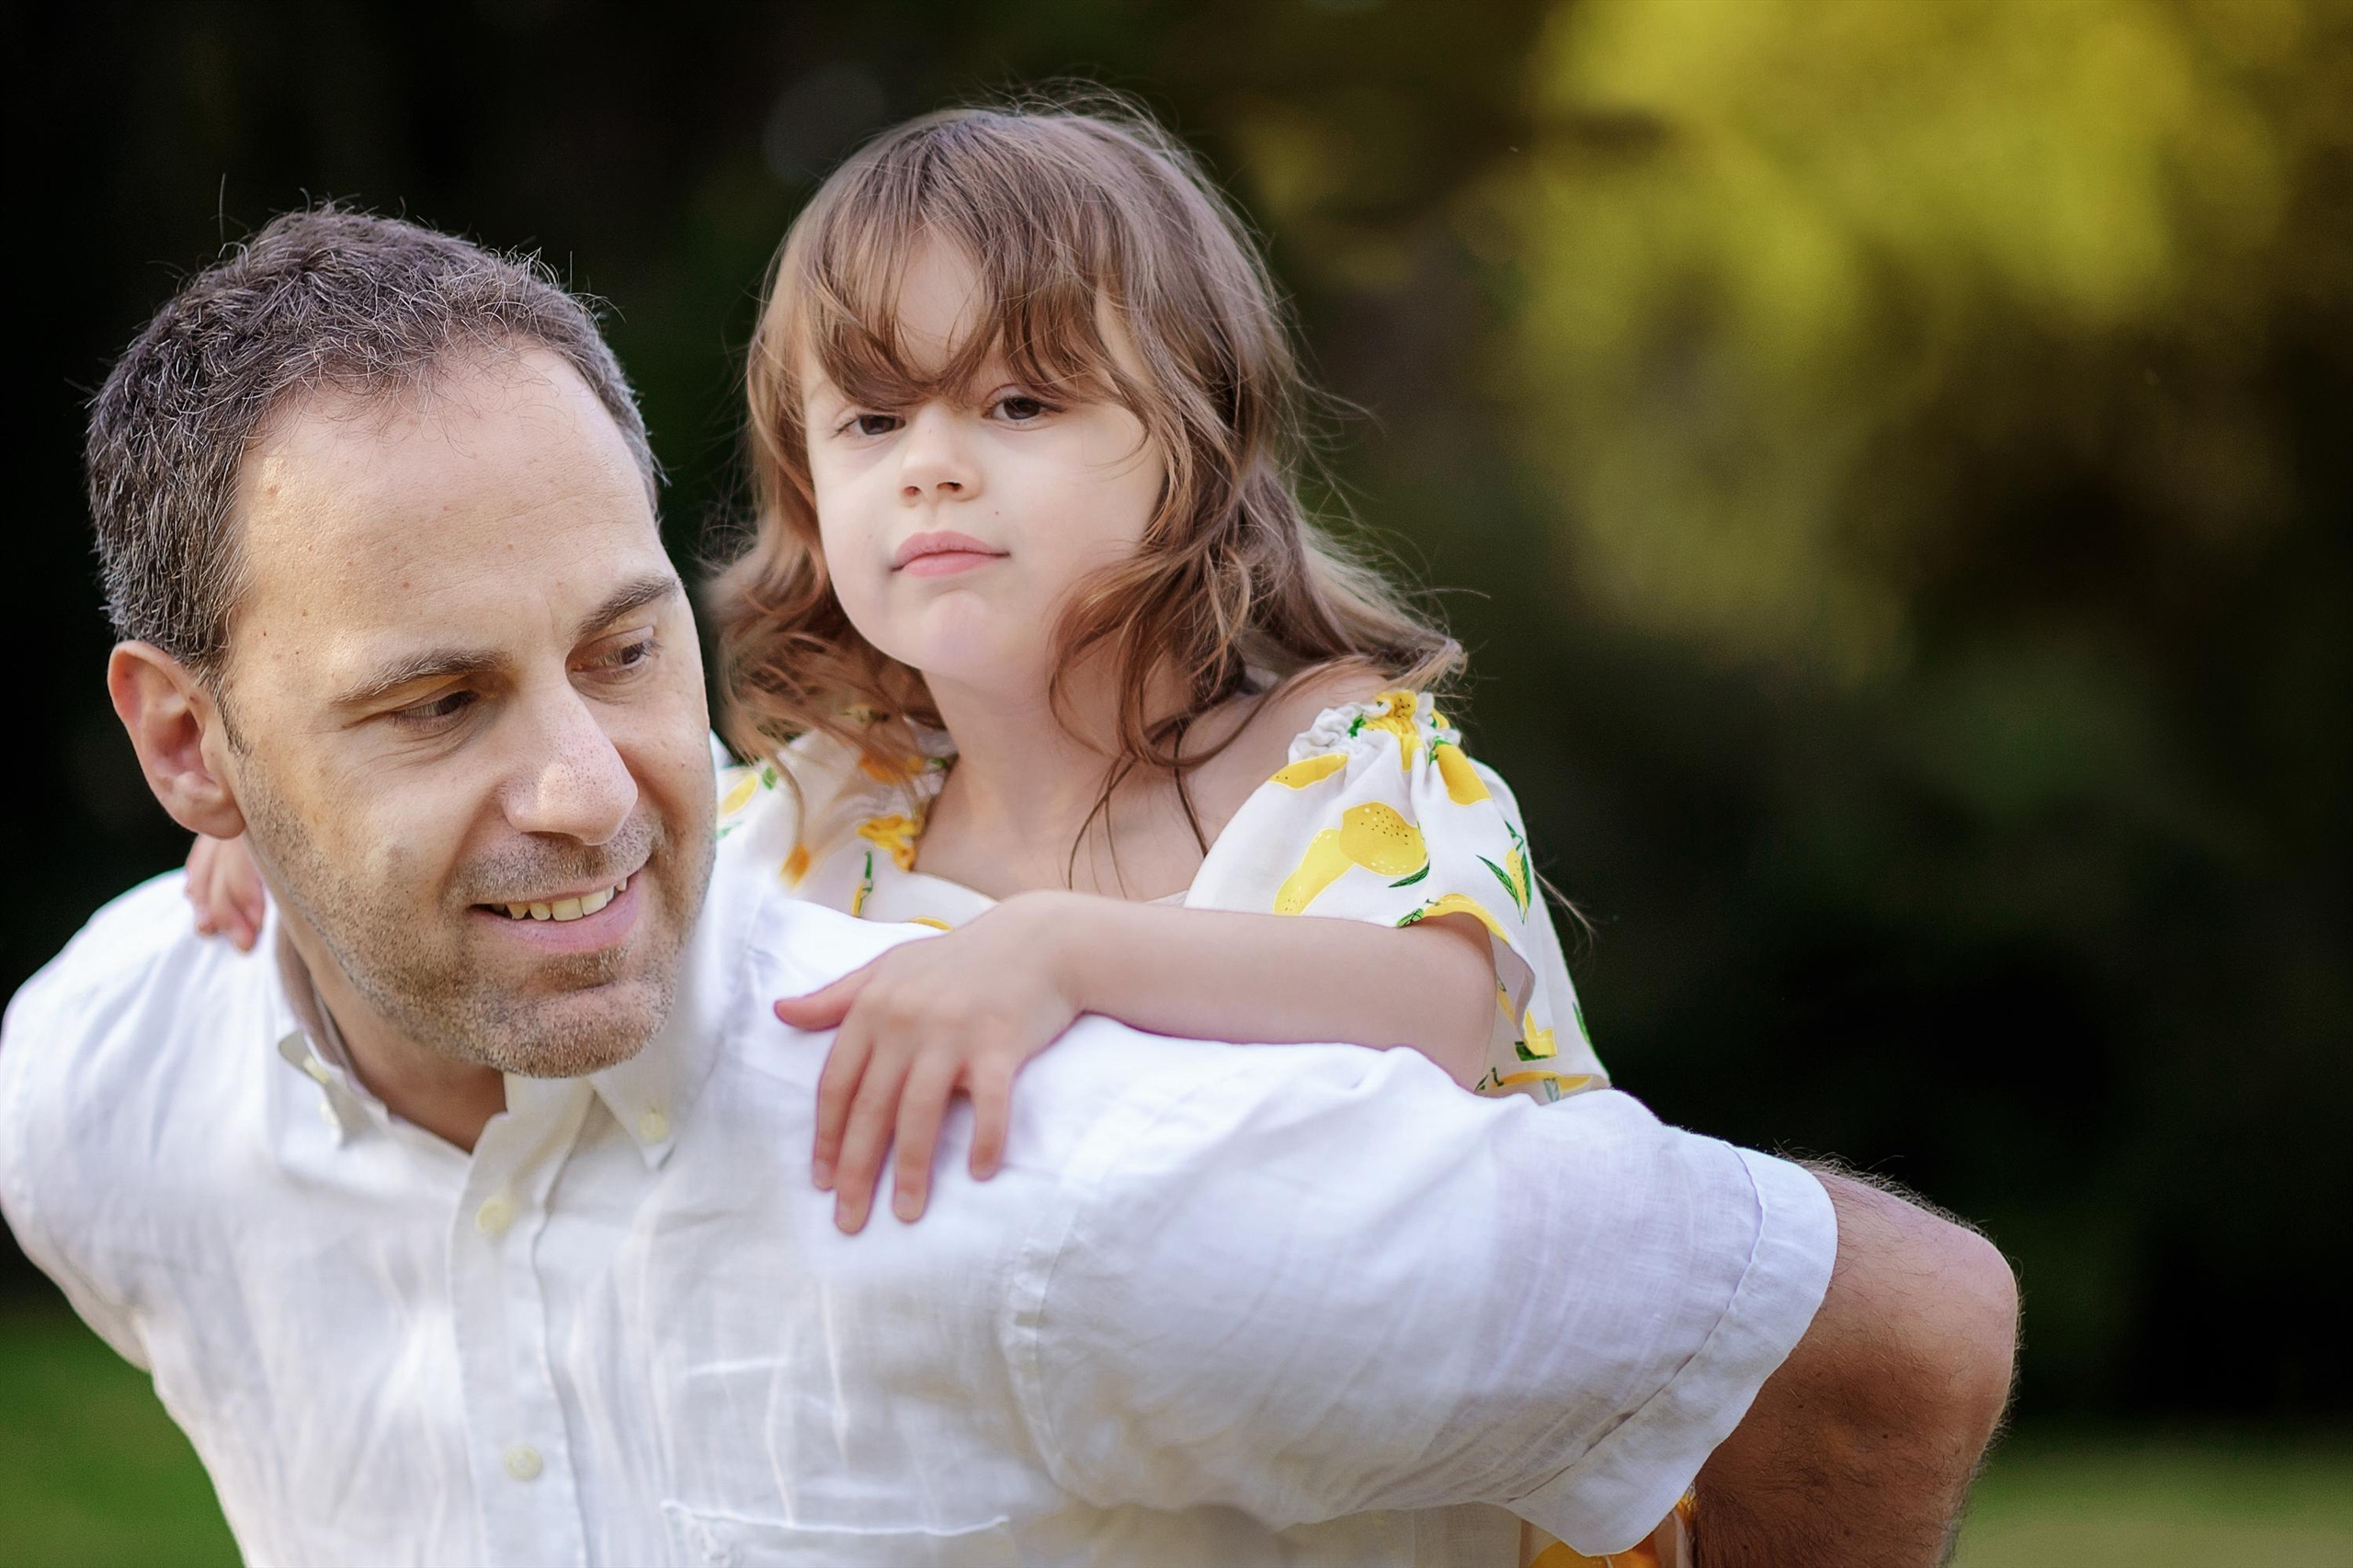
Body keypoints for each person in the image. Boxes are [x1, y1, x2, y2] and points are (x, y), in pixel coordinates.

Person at [7, 206, 2016, 1567]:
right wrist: (294, 831)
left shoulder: (1087, 1152)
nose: (581, 791)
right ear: (190, 744)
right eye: (433, 702)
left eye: (626, 653)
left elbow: (1897, 1334)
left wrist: (1053, 958)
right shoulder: (105, 1075)